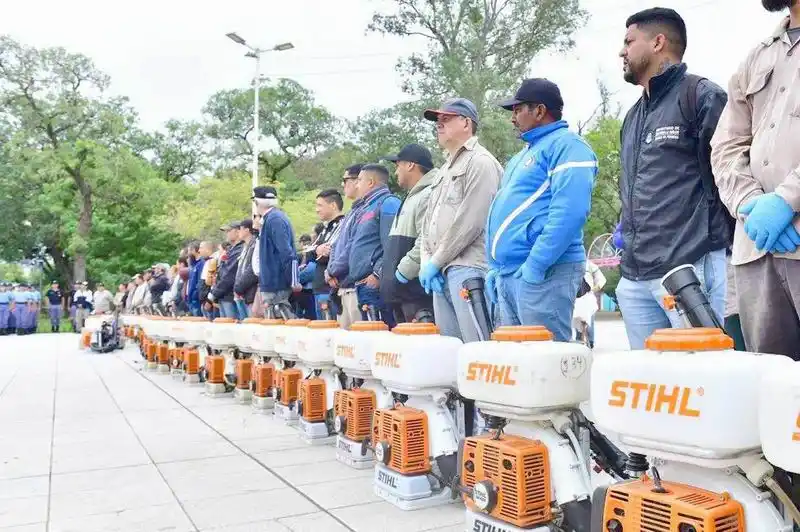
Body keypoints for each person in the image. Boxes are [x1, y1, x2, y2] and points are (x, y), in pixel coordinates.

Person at [616, 7, 730, 349]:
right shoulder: (633, 117)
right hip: (635, 278)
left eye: (629, 41)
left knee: (699, 382)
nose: (621, 51)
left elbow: (729, 174)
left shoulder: (702, 96)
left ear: (658, 42)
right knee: (654, 390)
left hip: (687, 269)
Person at [709, 0, 800, 359]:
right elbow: (726, 144)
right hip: (759, 249)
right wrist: (750, 203)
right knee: (772, 391)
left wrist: (786, 199)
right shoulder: (757, 57)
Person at [486, 79, 598, 342]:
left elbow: (570, 212)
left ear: (539, 110)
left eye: (517, 109)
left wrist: (536, 265)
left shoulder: (568, 146)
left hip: (545, 271)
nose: (512, 118)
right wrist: (495, 266)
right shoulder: (523, 155)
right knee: (518, 366)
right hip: (511, 274)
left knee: (546, 363)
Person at [421, 98, 503, 342]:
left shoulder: (481, 162)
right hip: (440, 270)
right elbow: (429, 223)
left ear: (466, 123)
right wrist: (428, 262)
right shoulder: (444, 169)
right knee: (451, 351)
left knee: (477, 350)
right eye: (437, 120)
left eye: (446, 119)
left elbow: (471, 221)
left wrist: (436, 261)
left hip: (468, 267)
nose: (439, 124)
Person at [381, 144, 437, 323]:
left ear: (410, 165)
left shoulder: (428, 194)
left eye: (398, 165)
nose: (396, 172)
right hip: (402, 295)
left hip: (415, 294)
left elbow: (427, 239)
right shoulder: (412, 197)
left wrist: (402, 273)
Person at [344, 164, 401, 326]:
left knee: (382, 341)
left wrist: (378, 274)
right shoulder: (367, 207)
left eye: (360, 180)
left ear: (371, 182)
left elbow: (392, 245)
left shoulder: (388, 203)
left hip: (375, 286)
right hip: (363, 286)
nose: (356, 184)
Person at [326, 165, 366, 328]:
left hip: (354, 285)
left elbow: (353, 246)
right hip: (341, 286)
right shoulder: (351, 212)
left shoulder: (365, 210)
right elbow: (336, 246)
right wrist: (329, 270)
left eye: (345, 180)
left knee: (360, 345)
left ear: (359, 180)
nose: (343, 185)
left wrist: (334, 270)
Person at [253, 186, 299, 318]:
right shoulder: (272, 219)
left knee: (280, 322)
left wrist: (293, 279)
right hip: (272, 281)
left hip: (276, 283)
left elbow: (286, 252)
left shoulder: (275, 219)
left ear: (257, 203)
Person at [308, 189, 346, 318]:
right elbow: (308, 253)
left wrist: (318, 252)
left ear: (333, 205)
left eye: (320, 205)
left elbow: (330, 252)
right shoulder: (325, 228)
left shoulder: (343, 225)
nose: (317, 209)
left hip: (330, 288)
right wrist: (317, 250)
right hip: (319, 288)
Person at [209, 221, 244, 319]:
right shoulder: (231, 250)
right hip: (223, 295)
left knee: (232, 325)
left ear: (238, 231)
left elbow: (229, 274)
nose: (226, 233)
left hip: (230, 294)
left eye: (229, 230)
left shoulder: (239, 249)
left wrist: (215, 293)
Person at [233, 219, 259, 320]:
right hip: (241, 294)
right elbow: (241, 269)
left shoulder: (254, 245)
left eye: (240, 229)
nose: (238, 232)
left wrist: (239, 287)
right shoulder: (245, 247)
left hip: (250, 293)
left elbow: (252, 269)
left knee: (252, 326)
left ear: (247, 230)